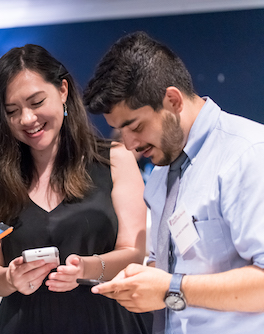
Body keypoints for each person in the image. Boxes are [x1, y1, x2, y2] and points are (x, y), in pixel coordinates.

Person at [83, 31, 264, 334]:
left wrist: (171, 288)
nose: (128, 144)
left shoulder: (248, 154)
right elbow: (172, 263)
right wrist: (139, 279)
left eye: (135, 126)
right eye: (119, 130)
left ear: (172, 100)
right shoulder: (161, 172)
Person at [0, 44, 152, 334]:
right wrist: (10, 278)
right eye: (12, 111)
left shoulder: (114, 159)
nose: (27, 119)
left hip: (104, 319)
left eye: (36, 102)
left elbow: (133, 252)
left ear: (63, 90)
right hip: (23, 322)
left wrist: (85, 269)